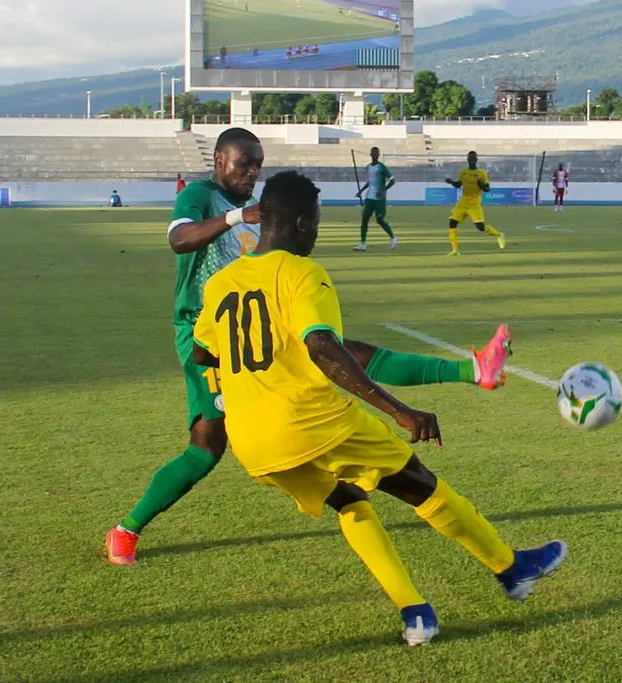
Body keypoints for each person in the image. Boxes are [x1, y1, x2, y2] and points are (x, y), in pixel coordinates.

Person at [192, 170, 568, 646]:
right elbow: (325, 348)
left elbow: (203, 352)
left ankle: (415, 613)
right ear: (303, 224)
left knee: (349, 499)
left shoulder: (224, 281)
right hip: (311, 421)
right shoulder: (303, 273)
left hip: (251, 441)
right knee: (421, 487)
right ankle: (512, 569)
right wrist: (399, 410)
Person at [104, 129, 514, 565]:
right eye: (245, 163)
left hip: (255, 325)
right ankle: (126, 529)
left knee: (340, 351)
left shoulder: (258, 212)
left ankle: (473, 371)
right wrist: (238, 217)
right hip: (205, 338)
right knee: (206, 449)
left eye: (259, 164)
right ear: (220, 161)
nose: (253, 171)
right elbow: (178, 239)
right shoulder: (203, 195)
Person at [444, 152, 505, 256]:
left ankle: (499, 235)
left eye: (473, 159)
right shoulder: (463, 171)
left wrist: (481, 185)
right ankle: (455, 250)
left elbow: (487, 189)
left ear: (476, 160)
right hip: (463, 202)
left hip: (474, 203)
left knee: (480, 228)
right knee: (452, 222)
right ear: (467, 159)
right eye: (470, 158)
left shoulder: (481, 173)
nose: (471, 160)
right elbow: (458, 185)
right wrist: (451, 182)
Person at [354, 146, 397, 252]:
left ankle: (393, 237)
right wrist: (361, 191)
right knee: (364, 219)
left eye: (377, 153)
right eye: (373, 153)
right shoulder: (368, 167)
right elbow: (370, 182)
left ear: (378, 155)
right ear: (370, 154)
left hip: (379, 199)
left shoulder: (382, 167)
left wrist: (383, 190)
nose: (375, 155)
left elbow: (392, 181)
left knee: (380, 220)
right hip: (369, 197)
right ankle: (363, 244)